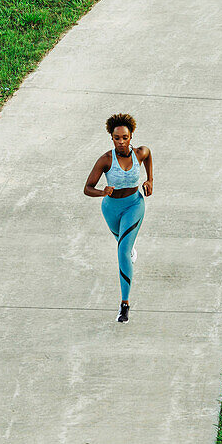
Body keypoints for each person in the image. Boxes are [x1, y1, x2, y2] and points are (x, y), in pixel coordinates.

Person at [83, 113, 153, 323]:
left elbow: (149, 155)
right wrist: (102, 192)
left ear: (131, 136)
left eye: (125, 137)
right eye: (116, 138)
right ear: (111, 138)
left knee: (121, 250)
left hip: (134, 204)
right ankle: (129, 248)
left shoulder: (139, 154)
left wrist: (150, 180)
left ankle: (124, 304)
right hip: (111, 209)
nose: (121, 142)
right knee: (124, 245)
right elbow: (87, 188)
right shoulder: (106, 160)